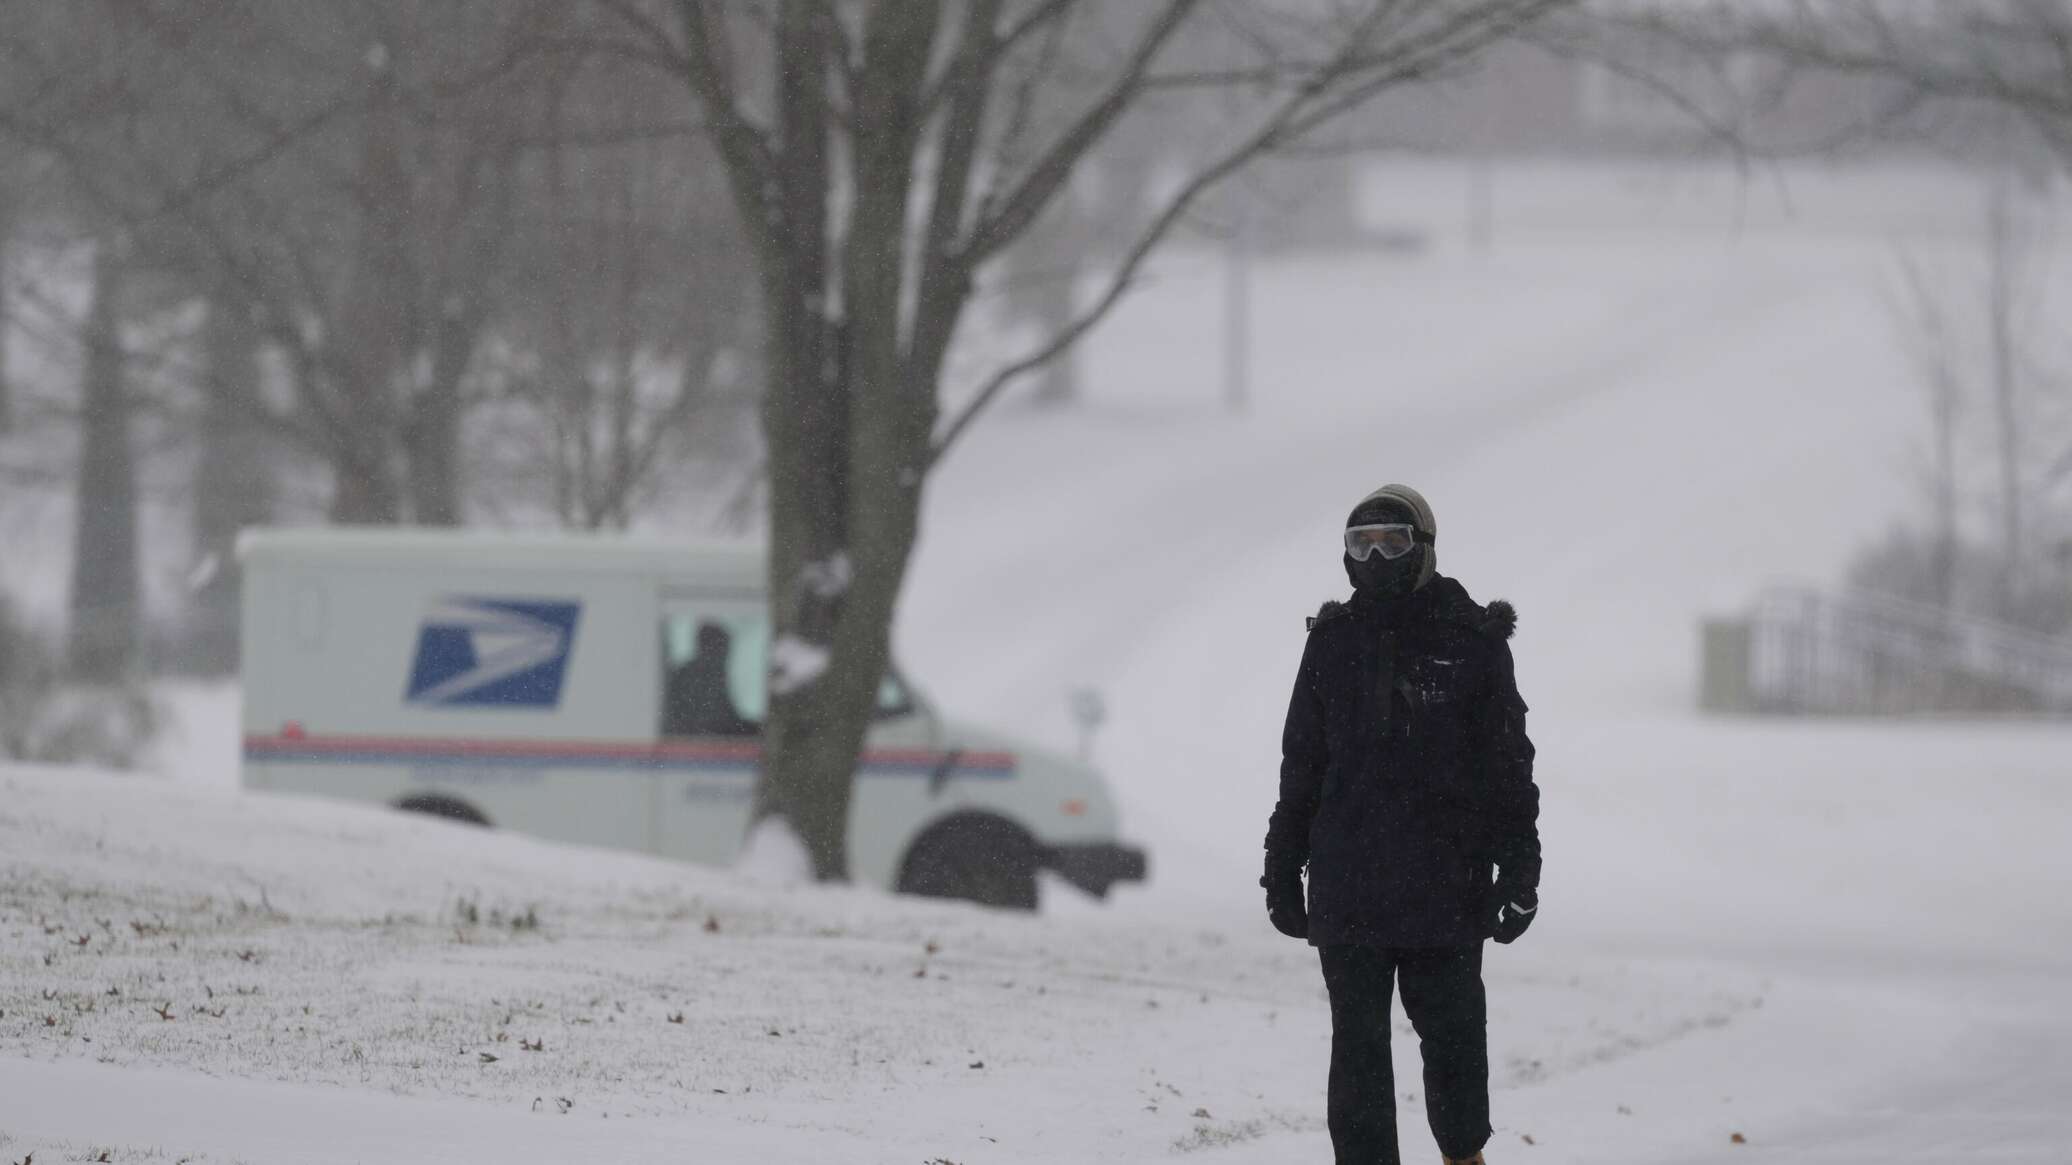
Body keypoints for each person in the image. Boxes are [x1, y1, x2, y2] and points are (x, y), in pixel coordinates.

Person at [1261, 484, 1541, 1165]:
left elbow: (1508, 767)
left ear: (1426, 549)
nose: (1377, 555)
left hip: (1445, 885)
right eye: (1362, 543)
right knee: (1356, 1050)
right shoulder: (1330, 644)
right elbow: (1302, 765)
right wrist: (1281, 864)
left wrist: (1520, 865)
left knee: (1452, 1039)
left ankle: (1462, 1155)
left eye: (1394, 540)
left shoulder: (1472, 642)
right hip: (1348, 883)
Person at [662, 622, 758, 738]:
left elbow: (727, 717)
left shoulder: (706, 675)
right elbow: (718, 721)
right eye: (722, 649)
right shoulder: (699, 678)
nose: (725, 656)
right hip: (695, 745)